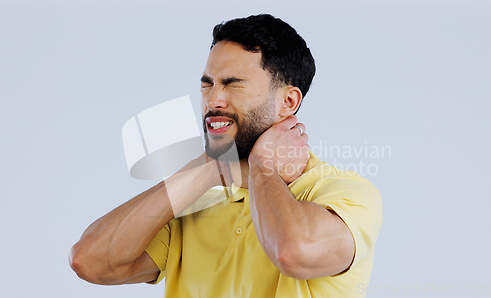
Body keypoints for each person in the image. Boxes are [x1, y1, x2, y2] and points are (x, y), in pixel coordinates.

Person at [69, 14, 383, 297]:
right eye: (208, 85)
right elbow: (90, 261)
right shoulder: (197, 197)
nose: (213, 100)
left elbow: (294, 253)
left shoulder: (344, 193)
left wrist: (264, 169)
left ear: (288, 101)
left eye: (233, 85)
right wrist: (209, 168)